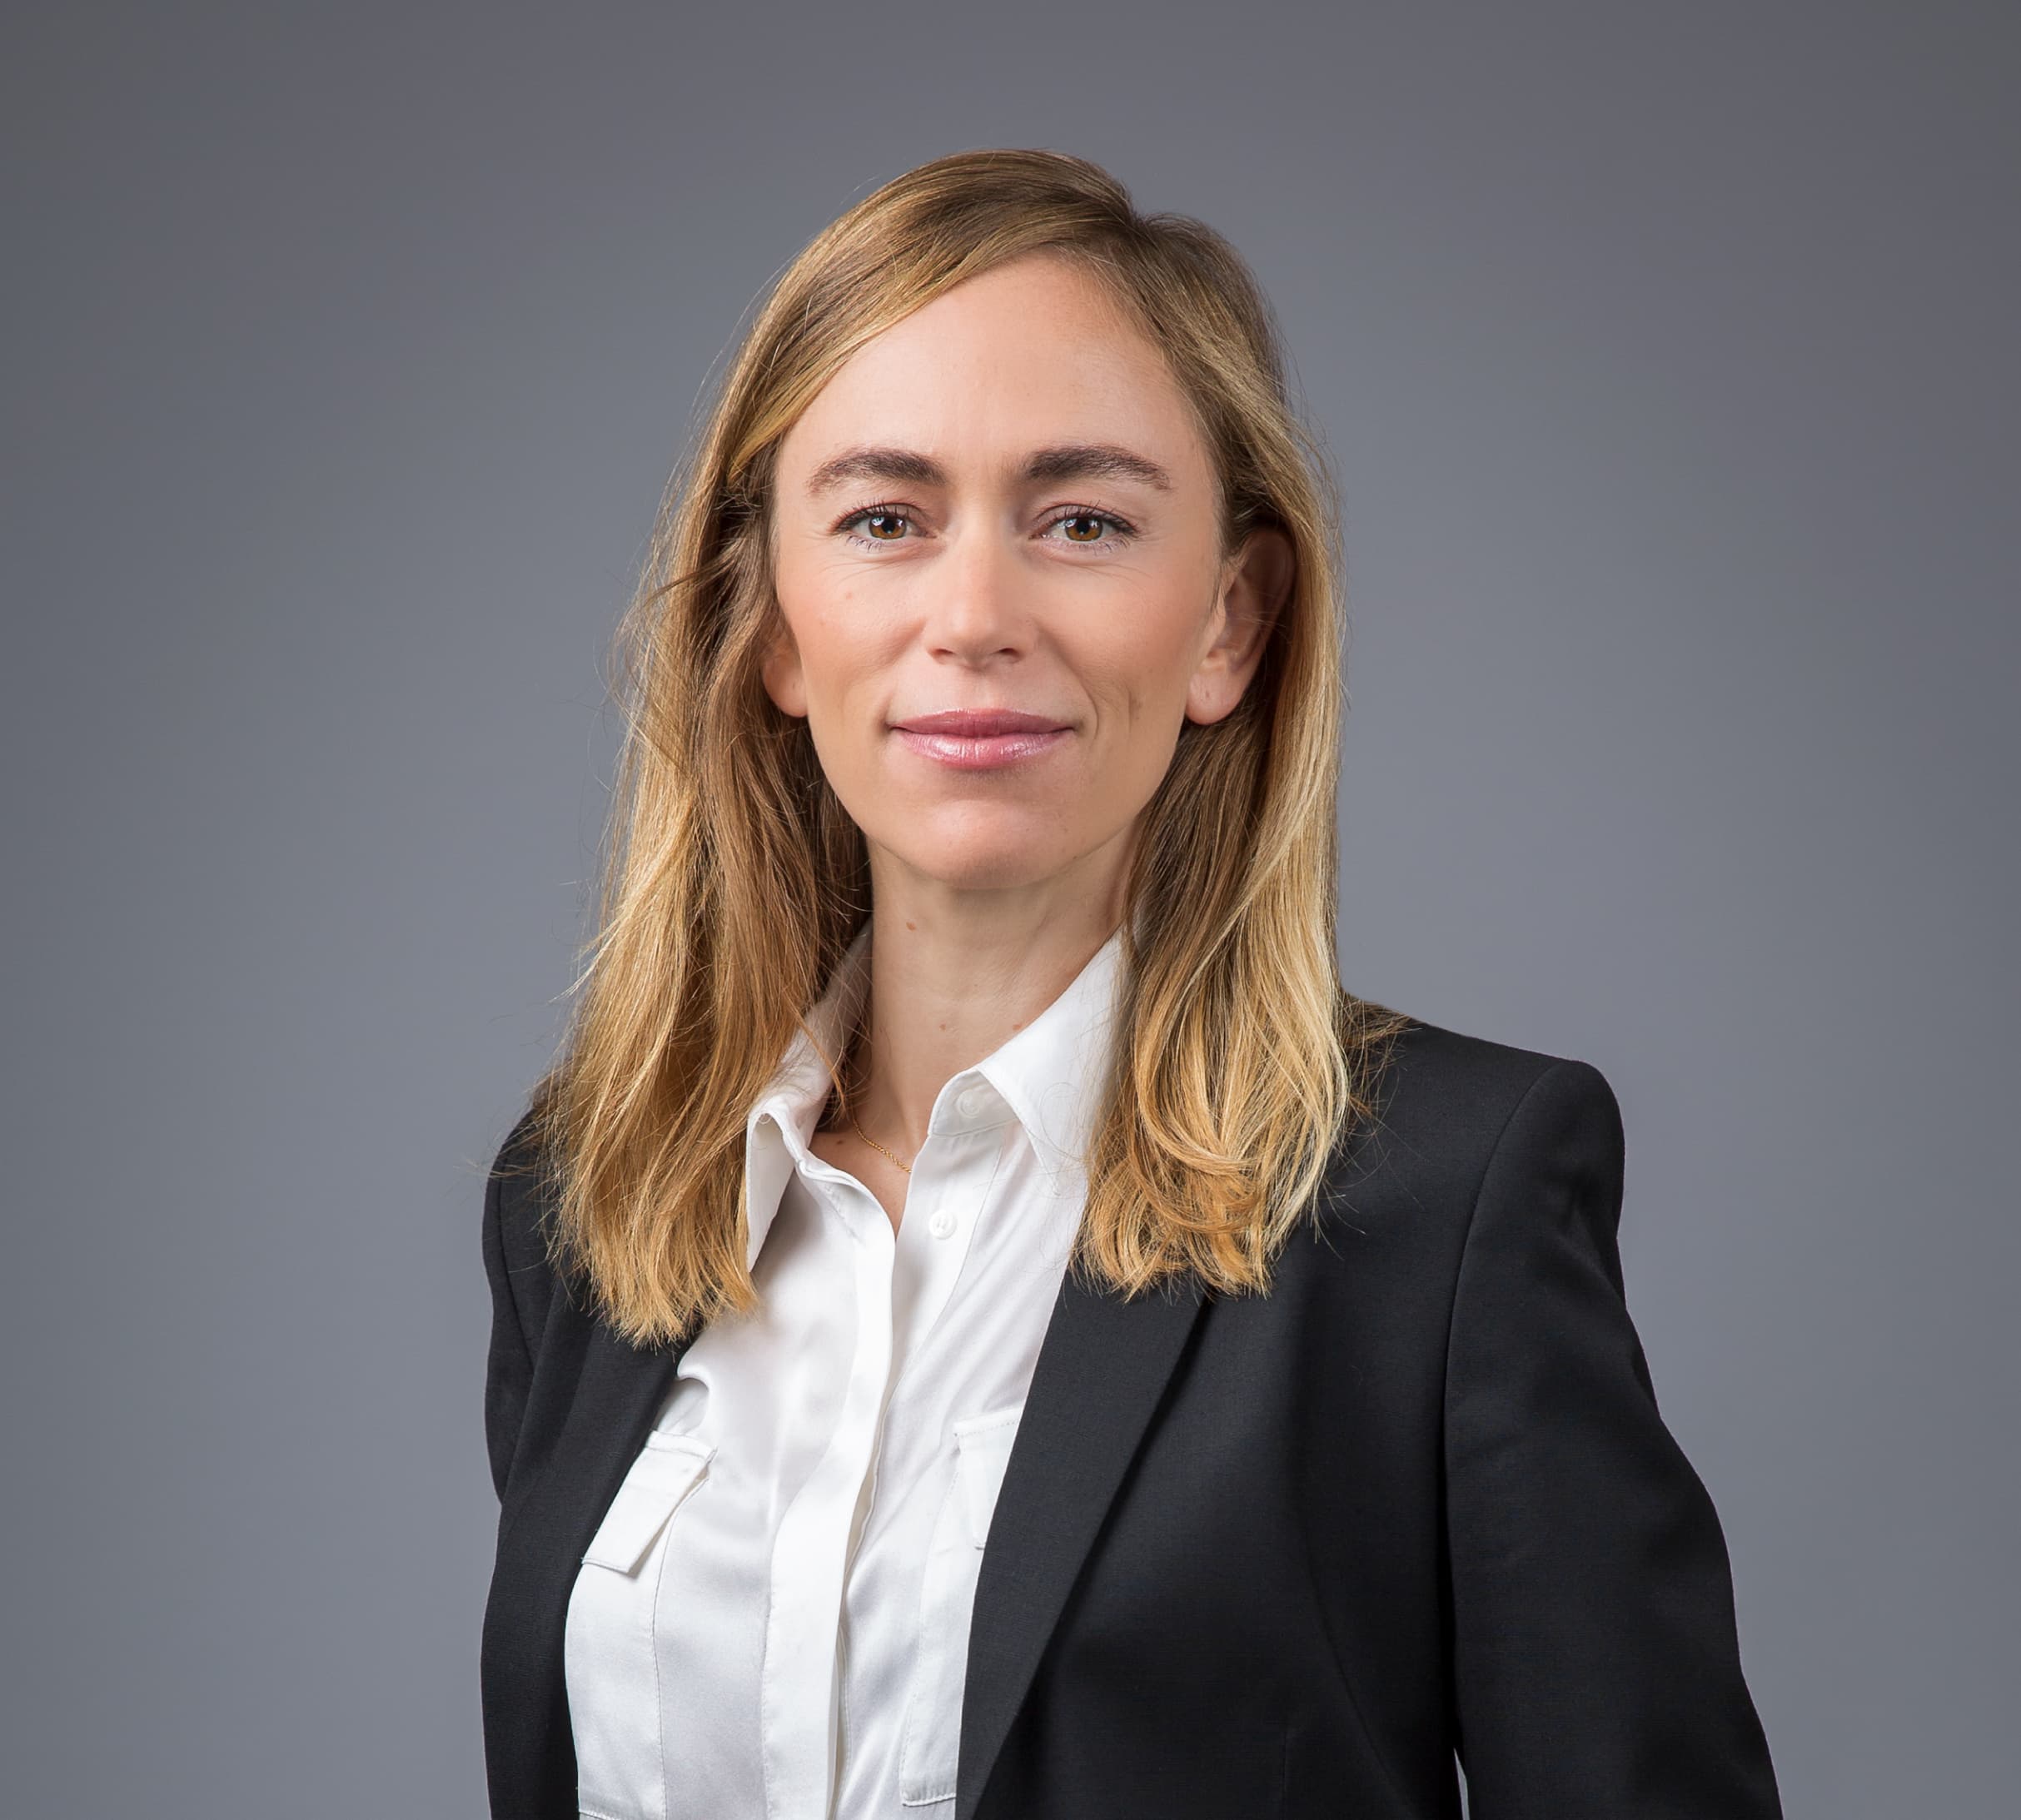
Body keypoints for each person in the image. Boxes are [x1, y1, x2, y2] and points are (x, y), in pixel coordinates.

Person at [479, 147, 1783, 1820]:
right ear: (777, 626)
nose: (971, 613)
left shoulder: (1443, 1203)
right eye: (884, 518)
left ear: (1228, 620)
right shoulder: (586, 1196)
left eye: (1079, 520)